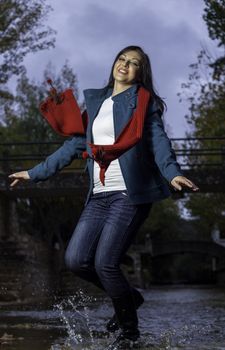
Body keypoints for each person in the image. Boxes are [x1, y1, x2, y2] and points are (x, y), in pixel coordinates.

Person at [9, 45, 199, 349]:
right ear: (115, 63)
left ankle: (129, 333)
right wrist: (34, 172)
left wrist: (172, 172)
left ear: (141, 73)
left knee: (105, 262)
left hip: (129, 194)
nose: (125, 65)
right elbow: (73, 147)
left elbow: (158, 141)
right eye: (122, 59)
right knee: (75, 260)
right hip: (98, 195)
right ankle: (130, 297)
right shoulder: (96, 101)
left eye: (134, 63)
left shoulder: (143, 103)